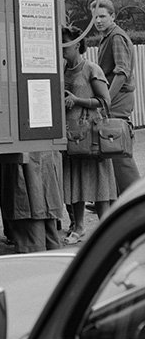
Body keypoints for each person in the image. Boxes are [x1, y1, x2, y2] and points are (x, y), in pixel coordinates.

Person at [61, 25, 117, 243]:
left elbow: (105, 101)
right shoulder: (62, 70)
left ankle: (106, 229)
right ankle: (78, 226)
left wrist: (77, 100)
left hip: (91, 133)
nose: (62, 47)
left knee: (99, 180)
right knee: (73, 180)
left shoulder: (91, 69)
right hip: (70, 134)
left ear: (77, 43)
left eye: (65, 43)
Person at [89, 0, 140, 194]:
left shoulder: (116, 37)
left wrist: (105, 100)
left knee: (118, 148)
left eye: (102, 16)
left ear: (113, 16)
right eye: (95, 17)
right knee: (111, 148)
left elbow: (122, 72)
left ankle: (136, 199)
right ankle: (113, 196)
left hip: (117, 99)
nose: (98, 21)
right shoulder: (108, 35)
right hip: (116, 98)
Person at [0, 149, 65, 254]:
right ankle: (47, 248)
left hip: (27, 156)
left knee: (28, 202)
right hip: (43, 152)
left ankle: (36, 250)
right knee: (43, 209)